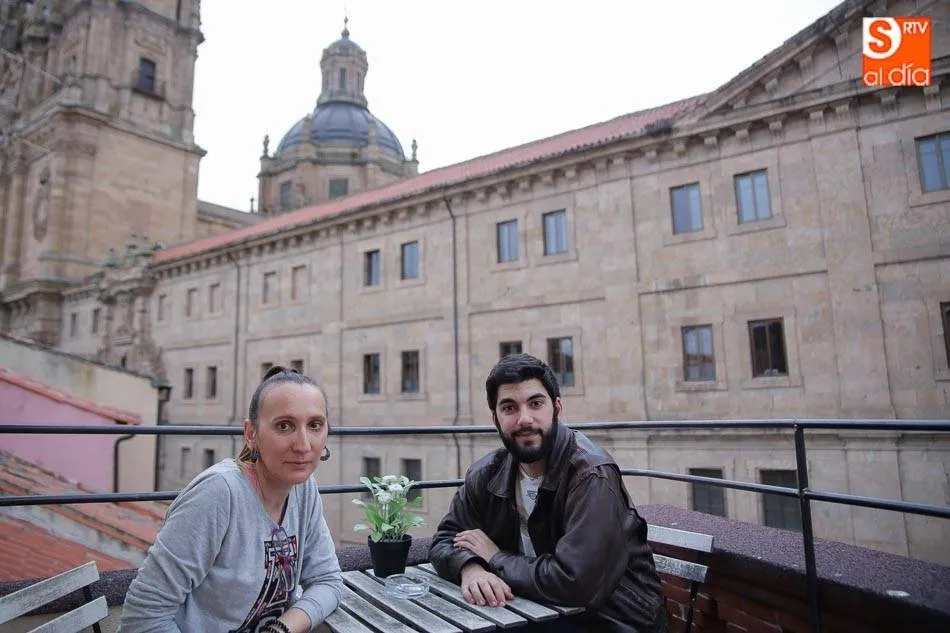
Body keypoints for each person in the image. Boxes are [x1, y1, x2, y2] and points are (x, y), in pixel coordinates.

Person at [429, 353, 667, 633]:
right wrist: (470, 568)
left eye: (536, 403)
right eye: (509, 408)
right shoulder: (487, 474)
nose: (524, 419)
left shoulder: (590, 475)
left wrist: (495, 559)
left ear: (557, 408)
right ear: (495, 418)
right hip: (536, 610)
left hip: (611, 620)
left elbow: (575, 582)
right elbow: (444, 540)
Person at [119, 366, 343, 633]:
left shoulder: (303, 488)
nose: (304, 445)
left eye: (315, 425)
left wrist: (281, 629)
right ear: (251, 434)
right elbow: (143, 619)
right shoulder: (219, 494)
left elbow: (328, 581)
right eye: (285, 426)